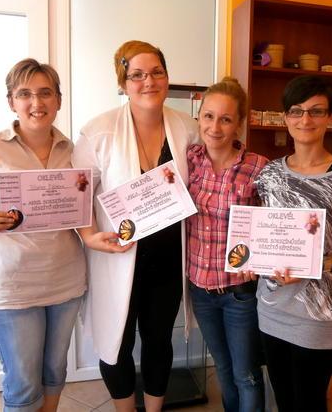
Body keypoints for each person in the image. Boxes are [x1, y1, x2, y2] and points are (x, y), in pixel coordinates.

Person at [0, 58, 86, 411]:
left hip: (65, 282)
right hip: (10, 287)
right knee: (23, 383)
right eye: (25, 94)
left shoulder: (74, 151)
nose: (36, 102)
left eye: (45, 93)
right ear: (11, 101)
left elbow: (85, 212)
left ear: (58, 100)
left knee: (54, 370)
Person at [71, 40, 199, 412]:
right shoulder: (99, 131)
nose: (149, 81)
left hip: (168, 261)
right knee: (117, 342)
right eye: (137, 75)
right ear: (123, 83)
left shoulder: (187, 128)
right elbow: (79, 193)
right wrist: (89, 236)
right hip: (117, 256)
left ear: (167, 77)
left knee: (159, 341)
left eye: (157, 72)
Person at [251, 76, 332, 412]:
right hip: (271, 306)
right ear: (285, 118)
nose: (305, 119)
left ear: (330, 117)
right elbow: (264, 235)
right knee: (283, 400)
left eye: (316, 111)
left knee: (309, 403)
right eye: (296, 111)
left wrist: (320, 264)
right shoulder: (269, 175)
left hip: (318, 314)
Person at [186, 77, 268, 412]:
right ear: (199, 117)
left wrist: (259, 260)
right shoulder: (189, 161)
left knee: (245, 374)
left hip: (239, 291)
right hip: (200, 288)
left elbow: (272, 224)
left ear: (239, 125)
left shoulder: (258, 167)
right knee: (222, 367)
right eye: (208, 116)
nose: (215, 127)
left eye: (225, 119)